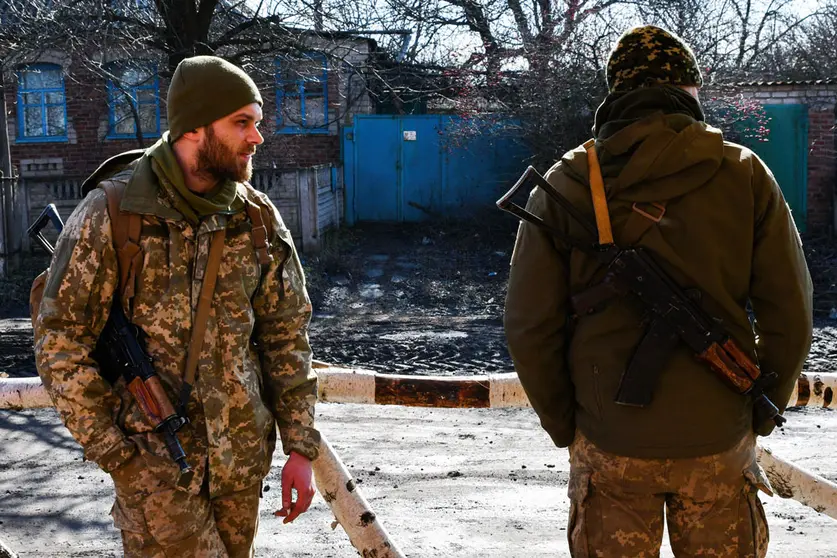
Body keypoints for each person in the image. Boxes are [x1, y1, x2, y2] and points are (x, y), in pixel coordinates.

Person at [504, 25, 813, 557]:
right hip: (719, 440)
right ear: (689, 91)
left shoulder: (571, 180)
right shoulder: (744, 174)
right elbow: (790, 312)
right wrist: (760, 409)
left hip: (610, 442)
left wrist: (569, 423)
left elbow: (530, 325)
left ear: (615, 94)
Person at [35, 55, 320, 557]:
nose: (257, 138)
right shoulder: (112, 214)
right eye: (242, 123)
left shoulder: (255, 217)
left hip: (239, 464)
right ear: (193, 128)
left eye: (257, 123)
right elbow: (60, 342)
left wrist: (300, 446)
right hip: (155, 473)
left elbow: (285, 335)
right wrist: (118, 454)